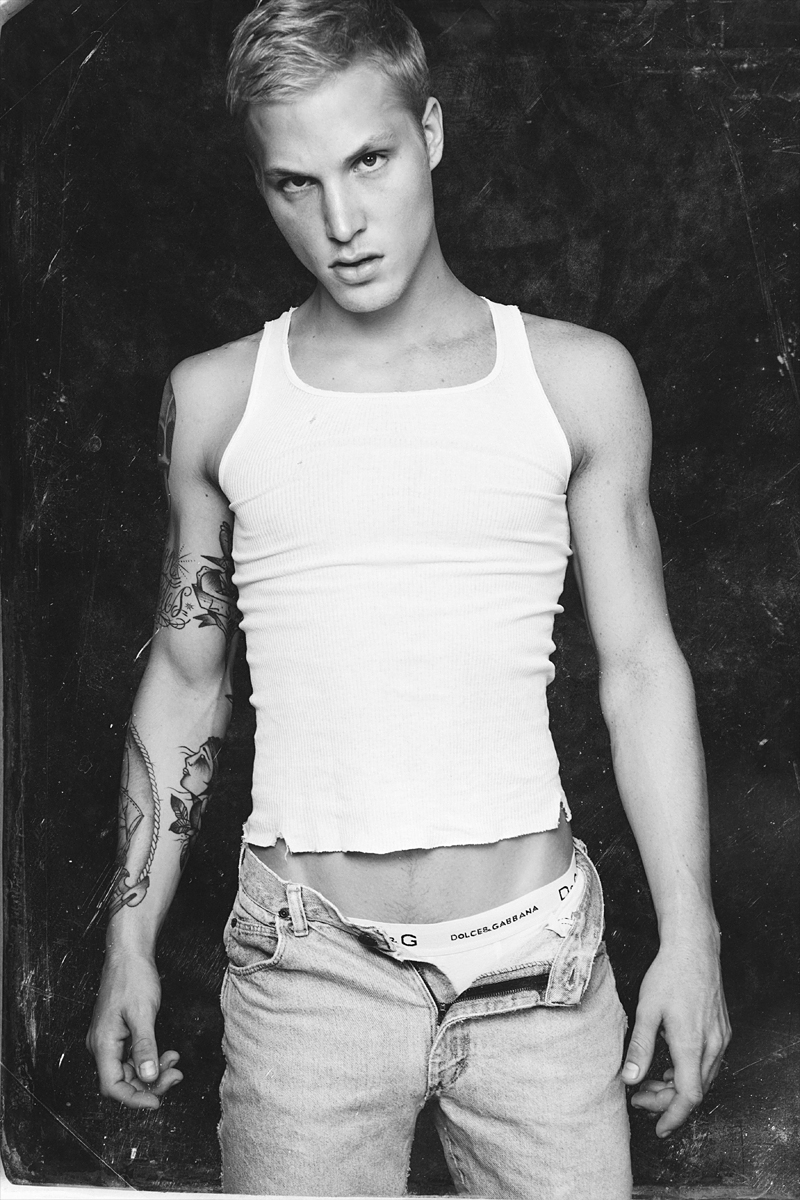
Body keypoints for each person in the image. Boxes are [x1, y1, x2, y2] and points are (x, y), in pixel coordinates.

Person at [86, 1, 731, 1195]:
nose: (339, 223)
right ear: (261, 185)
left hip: (538, 973)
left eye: (368, 160)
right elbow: (184, 680)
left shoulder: (575, 381)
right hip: (306, 977)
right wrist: (127, 939)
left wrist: (690, 939)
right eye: (295, 183)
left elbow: (641, 670)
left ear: (428, 132)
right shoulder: (218, 400)